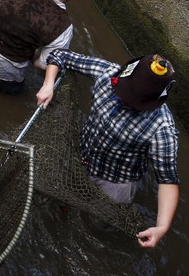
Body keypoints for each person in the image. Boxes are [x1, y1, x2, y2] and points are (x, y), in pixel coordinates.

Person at [36, 50, 179, 248]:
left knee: (96, 225)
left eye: (134, 101)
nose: (127, 101)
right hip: (81, 157)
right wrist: (48, 84)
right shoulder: (107, 73)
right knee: (61, 200)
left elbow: (167, 179)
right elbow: (59, 56)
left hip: (115, 183)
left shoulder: (162, 127)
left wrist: (162, 227)